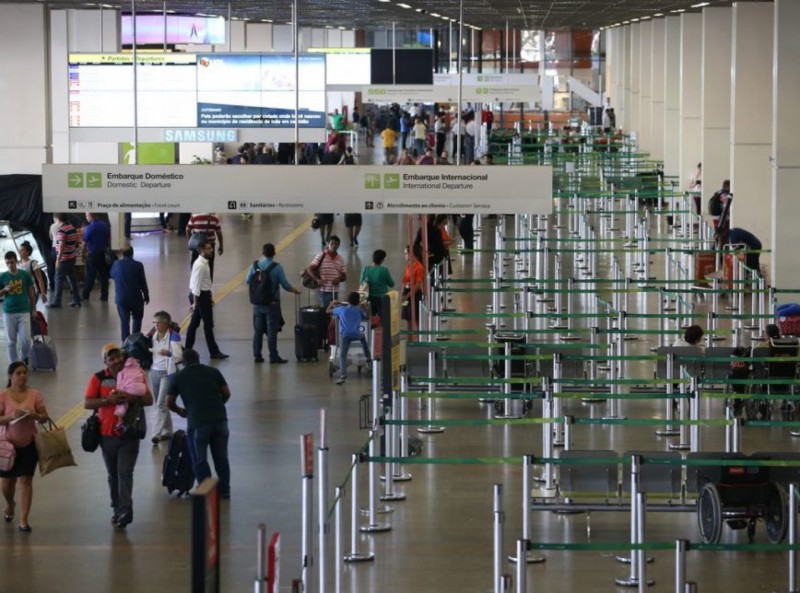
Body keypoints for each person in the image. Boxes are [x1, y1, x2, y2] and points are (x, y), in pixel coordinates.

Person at [85, 343, 154, 529]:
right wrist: (108, 401)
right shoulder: (99, 378)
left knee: (125, 472)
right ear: (105, 362)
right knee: (112, 474)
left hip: (129, 433)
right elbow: (87, 403)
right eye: (111, 358)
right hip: (106, 435)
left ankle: (125, 510)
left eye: (118, 357)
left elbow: (149, 399)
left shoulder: (135, 373)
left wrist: (131, 398)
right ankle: (117, 507)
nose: (116, 361)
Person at [167, 348, 231, 499]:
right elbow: (227, 393)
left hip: (198, 423)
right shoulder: (213, 372)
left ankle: (208, 491)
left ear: (183, 362)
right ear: (198, 358)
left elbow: (168, 402)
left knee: (200, 460)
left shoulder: (178, 377)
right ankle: (225, 490)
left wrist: (180, 411)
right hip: (220, 421)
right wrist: (217, 405)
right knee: (221, 458)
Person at [0, 362, 48, 532]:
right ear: (10, 376)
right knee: (7, 484)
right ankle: (10, 504)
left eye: (24, 372)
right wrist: (11, 416)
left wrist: (34, 415)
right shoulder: (3, 396)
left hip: (29, 444)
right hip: (7, 447)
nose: (22, 376)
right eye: (18, 373)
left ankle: (24, 519)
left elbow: (44, 417)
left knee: (26, 480)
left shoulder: (35, 395)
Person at [245, 243, 301, 364]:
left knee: (258, 331)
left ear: (263, 253)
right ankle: (273, 356)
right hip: (272, 304)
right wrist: (295, 290)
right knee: (272, 331)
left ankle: (257, 355)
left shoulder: (255, 266)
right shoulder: (277, 267)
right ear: (274, 253)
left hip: (258, 304)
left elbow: (247, 280)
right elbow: (285, 285)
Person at [185, 241, 228, 360]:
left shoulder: (202, 262)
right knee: (208, 325)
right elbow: (196, 285)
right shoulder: (201, 265)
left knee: (194, 324)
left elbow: (204, 283)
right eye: (209, 248)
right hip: (199, 297)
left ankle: (187, 349)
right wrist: (195, 302)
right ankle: (214, 351)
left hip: (202, 296)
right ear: (202, 250)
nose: (211, 250)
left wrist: (209, 296)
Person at [148, 311, 183, 444]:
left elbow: (179, 356)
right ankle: (167, 431)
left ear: (166, 323)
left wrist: (168, 353)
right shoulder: (152, 335)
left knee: (161, 404)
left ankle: (156, 434)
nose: (156, 325)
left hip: (167, 373)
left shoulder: (174, 336)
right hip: (153, 372)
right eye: (155, 323)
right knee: (161, 404)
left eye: (159, 323)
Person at [328, 292, 371, 385]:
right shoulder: (359, 310)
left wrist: (332, 303)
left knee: (343, 355)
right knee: (364, 340)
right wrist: (364, 307)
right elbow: (367, 316)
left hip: (346, 335)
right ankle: (368, 358)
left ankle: (343, 376)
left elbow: (327, 311)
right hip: (357, 334)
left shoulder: (341, 309)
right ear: (358, 301)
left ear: (348, 300)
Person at [0, 252, 36, 364]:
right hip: (8, 312)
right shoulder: (3, 276)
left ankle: (23, 355)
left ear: (16, 261)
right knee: (11, 341)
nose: (10, 265)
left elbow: (31, 292)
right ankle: (13, 364)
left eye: (12, 262)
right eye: (7, 263)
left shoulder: (25, 275)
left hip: (23, 311)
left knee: (26, 339)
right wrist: (4, 290)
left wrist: (33, 308)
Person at [109, 246, 150, 342]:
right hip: (136, 298)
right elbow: (143, 281)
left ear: (122, 254)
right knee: (137, 319)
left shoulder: (116, 264)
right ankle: (135, 342)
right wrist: (146, 295)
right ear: (132, 253)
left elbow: (112, 275)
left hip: (121, 298)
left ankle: (126, 344)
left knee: (124, 321)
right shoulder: (139, 265)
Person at [48, 212, 81, 308]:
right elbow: (75, 242)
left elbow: (62, 245)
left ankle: (57, 301)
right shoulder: (71, 228)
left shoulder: (62, 230)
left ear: (58, 219)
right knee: (72, 279)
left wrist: (58, 259)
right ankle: (76, 299)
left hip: (64, 259)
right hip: (71, 257)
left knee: (58, 279)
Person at [307, 236, 346, 310]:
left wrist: (339, 279)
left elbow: (344, 276)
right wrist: (318, 279)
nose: (334, 246)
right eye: (332, 243)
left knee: (334, 311)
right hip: (324, 290)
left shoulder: (340, 258)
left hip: (335, 290)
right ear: (328, 244)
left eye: (336, 244)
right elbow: (310, 269)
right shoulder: (321, 255)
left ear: (339, 245)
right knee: (326, 311)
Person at [112, 353, 148, 432]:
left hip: (132, 388)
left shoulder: (122, 371)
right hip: (142, 389)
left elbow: (119, 384)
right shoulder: (137, 366)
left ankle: (120, 420)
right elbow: (144, 374)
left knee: (122, 399)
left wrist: (119, 391)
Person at [81, 212, 111, 302]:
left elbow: (84, 242)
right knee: (104, 276)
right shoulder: (104, 225)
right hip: (103, 254)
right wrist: (108, 250)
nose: (86, 218)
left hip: (93, 255)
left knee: (90, 276)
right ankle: (104, 296)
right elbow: (109, 238)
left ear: (91, 216)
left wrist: (83, 254)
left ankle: (85, 296)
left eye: (86, 216)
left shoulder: (90, 227)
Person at [186, 213, 223, 281]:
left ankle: (195, 283)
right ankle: (207, 288)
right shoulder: (214, 218)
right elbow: (219, 232)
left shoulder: (194, 217)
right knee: (209, 266)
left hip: (197, 246)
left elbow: (188, 229)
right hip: (210, 247)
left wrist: (190, 241)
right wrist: (221, 246)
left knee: (195, 264)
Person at [359, 249, 395, 317]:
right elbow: (391, 284)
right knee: (382, 318)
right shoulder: (384, 270)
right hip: (382, 297)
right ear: (382, 260)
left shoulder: (366, 269)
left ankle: (372, 328)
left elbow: (361, 283)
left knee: (371, 318)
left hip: (369, 298)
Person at [401, 243, 426, 326]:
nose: (405, 255)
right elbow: (404, 281)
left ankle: (419, 338)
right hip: (406, 293)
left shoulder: (419, 267)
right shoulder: (408, 266)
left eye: (406, 253)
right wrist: (402, 294)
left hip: (414, 295)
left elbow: (417, 285)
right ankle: (409, 338)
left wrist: (407, 296)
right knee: (408, 319)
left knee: (416, 319)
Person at [17, 240, 47, 305]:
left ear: (27, 252)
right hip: (21, 290)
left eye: (22, 250)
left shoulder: (33, 263)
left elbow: (39, 279)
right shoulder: (17, 263)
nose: (19, 252)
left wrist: (43, 293)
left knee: (30, 308)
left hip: (32, 290)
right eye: (19, 250)